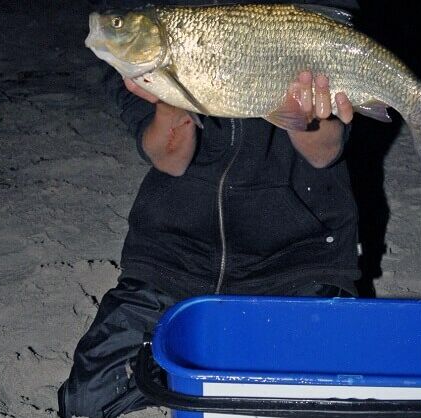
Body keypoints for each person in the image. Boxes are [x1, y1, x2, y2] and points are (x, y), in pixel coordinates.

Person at [58, 0, 361, 416]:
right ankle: (199, 369)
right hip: (175, 256)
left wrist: (308, 115)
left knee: (316, 391)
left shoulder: (298, 20)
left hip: (294, 259)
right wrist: (170, 97)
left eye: (117, 24)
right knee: (85, 400)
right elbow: (170, 158)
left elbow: (324, 153)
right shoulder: (160, 20)